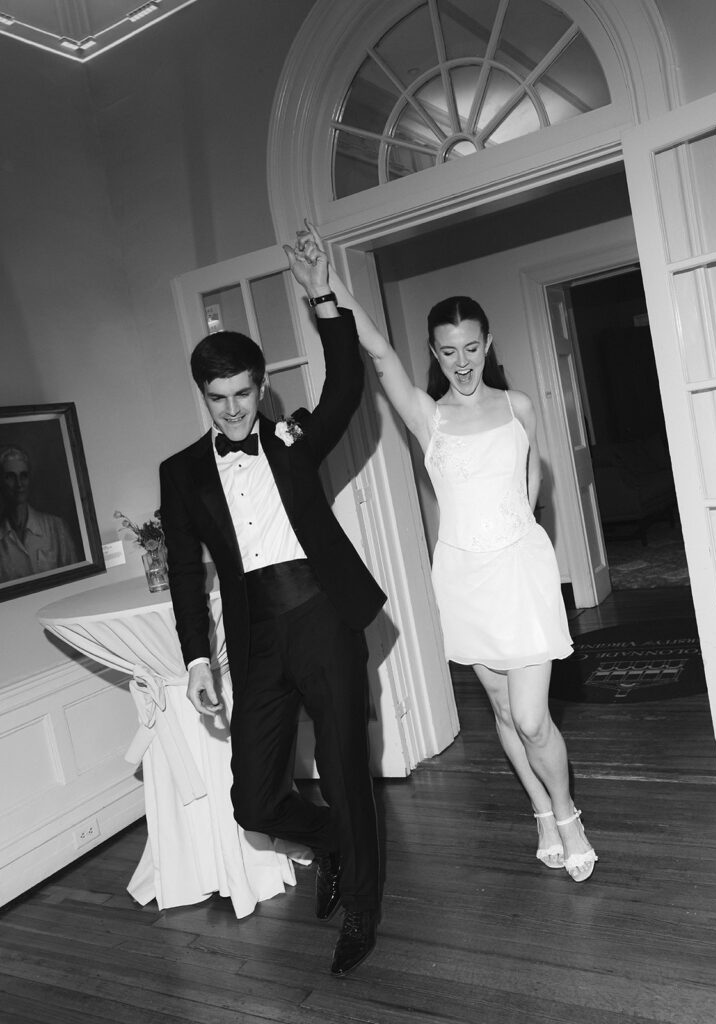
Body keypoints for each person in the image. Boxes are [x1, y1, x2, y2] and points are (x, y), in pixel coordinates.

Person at [293, 222, 597, 883]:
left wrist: (529, 523)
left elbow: (534, 477)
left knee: (531, 713)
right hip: (464, 577)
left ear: (486, 344)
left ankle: (568, 813)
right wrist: (327, 288)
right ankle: (541, 812)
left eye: (470, 347)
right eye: (446, 350)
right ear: (434, 352)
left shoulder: (519, 406)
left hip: (520, 572)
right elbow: (375, 352)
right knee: (498, 709)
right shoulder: (427, 417)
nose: (460, 361)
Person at [159, 233, 386, 976]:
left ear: (262, 388)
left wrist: (323, 296)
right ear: (204, 397)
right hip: (256, 635)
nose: (230, 412)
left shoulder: (291, 441)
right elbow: (190, 579)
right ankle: (334, 844)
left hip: (323, 614)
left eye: (242, 395)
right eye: (217, 399)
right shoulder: (184, 472)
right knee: (255, 803)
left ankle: (363, 904)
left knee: (345, 765)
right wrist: (197, 656)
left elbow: (349, 385)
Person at [0, 445, 78, 582]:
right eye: (10, 477)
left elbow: (76, 577)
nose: (19, 484)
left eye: (23, 476)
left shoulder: (57, 527)